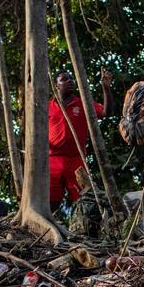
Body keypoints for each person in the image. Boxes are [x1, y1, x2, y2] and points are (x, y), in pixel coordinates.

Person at [48, 68, 113, 210]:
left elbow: (105, 112)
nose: (70, 81)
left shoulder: (83, 103)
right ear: (56, 85)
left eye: (71, 78)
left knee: (84, 199)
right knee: (51, 200)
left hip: (76, 159)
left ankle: (82, 229)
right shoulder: (47, 107)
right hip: (52, 159)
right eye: (64, 79)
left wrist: (106, 88)